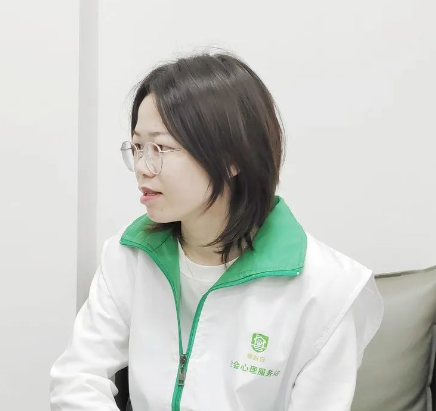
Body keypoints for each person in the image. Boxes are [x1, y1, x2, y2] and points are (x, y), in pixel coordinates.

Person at [49, 51, 384, 410]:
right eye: (138, 147)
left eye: (160, 147)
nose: (143, 167)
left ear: (232, 158)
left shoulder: (327, 291)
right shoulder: (129, 254)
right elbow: (77, 380)